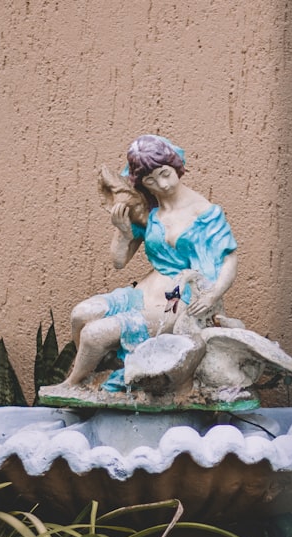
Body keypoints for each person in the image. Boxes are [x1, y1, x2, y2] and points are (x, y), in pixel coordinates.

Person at [61, 134, 238, 390]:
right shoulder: (149, 210)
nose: (162, 184)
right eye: (150, 180)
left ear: (176, 166)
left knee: (95, 333)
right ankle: (104, 374)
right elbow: (119, 261)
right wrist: (123, 232)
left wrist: (212, 296)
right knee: (81, 315)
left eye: (165, 174)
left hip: (177, 296)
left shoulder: (204, 213)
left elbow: (229, 259)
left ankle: (75, 384)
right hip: (143, 292)